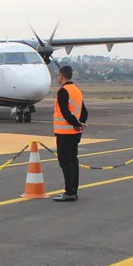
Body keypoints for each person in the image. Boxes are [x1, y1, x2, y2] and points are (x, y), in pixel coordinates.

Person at [52, 65, 88, 202]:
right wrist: (81, 123)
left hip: (64, 132)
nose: (57, 77)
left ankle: (69, 192)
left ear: (61, 76)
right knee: (73, 161)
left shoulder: (63, 91)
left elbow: (65, 112)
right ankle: (73, 190)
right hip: (75, 133)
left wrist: (76, 123)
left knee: (65, 162)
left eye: (58, 75)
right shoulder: (77, 91)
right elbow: (84, 111)